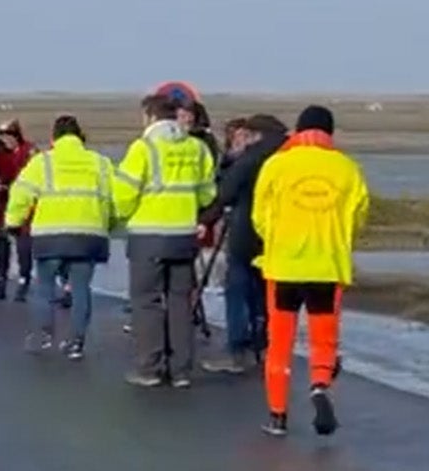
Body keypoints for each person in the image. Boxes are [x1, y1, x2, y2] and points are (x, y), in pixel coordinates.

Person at [251, 105, 368, 438]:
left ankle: (277, 415)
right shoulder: (347, 168)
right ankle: (319, 384)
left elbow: (259, 215)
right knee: (323, 339)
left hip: (283, 266)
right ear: (330, 133)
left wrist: (277, 238)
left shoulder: (277, 165)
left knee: (280, 342)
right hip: (327, 268)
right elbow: (358, 217)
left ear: (298, 131)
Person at [111, 94, 217, 387]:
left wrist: (121, 216)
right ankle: (181, 370)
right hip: (183, 235)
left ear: (150, 116)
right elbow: (208, 193)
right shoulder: (197, 149)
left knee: (146, 302)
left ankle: (149, 367)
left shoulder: (143, 148)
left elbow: (124, 194)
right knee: (181, 302)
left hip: (148, 236)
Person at [3, 115, 115, 359]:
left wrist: (12, 222)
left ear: (53, 138)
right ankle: (76, 342)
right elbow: (114, 199)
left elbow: (20, 194)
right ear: (80, 137)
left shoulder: (42, 163)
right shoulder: (100, 163)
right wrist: (111, 227)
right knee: (81, 289)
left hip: (50, 236)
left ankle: (44, 336)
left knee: (45, 288)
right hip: (88, 236)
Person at [201, 113, 288, 376]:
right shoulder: (285, 158)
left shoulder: (250, 158)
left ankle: (237, 349)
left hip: (245, 232)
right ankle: (265, 347)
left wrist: (204, 221)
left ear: (254, 135)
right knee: (263, 293)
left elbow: (226, 191)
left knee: (236, 291)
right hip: (276, 235)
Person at [0, 119, 36, 301]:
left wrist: (6, 187)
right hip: (5, 205)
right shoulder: (0, 151)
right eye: (3, 136)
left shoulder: (29, 152)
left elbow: (33, 179)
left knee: (23, 246)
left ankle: (23, 282)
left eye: (9, 135)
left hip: (24, 205)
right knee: (1, 243)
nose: (6, 139)